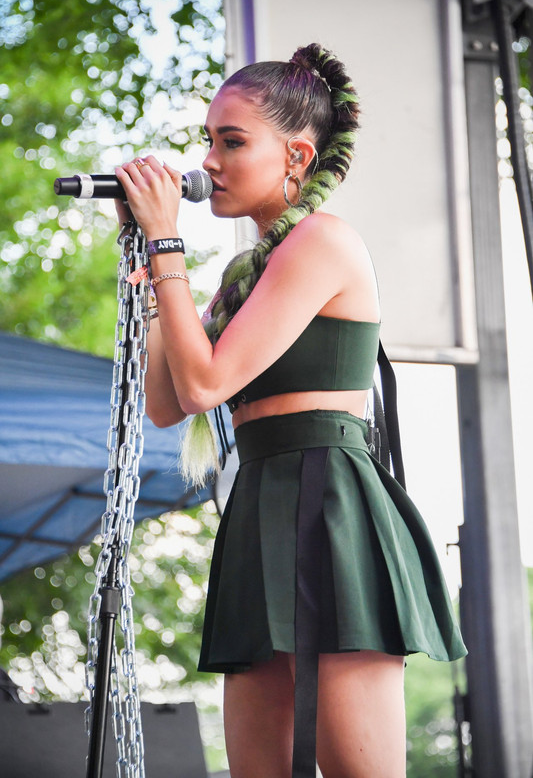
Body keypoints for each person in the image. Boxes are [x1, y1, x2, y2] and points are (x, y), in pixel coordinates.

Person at [115, 43, 467, 778]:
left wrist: (168, 239)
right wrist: (151, 271)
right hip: (261, 508)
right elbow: (165, 404)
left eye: (231, 141)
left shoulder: (321, 242)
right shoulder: (240, 278)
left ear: (296, 157)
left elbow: (207, 382)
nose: (207, 161)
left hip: (329, 508)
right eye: (206, 141)